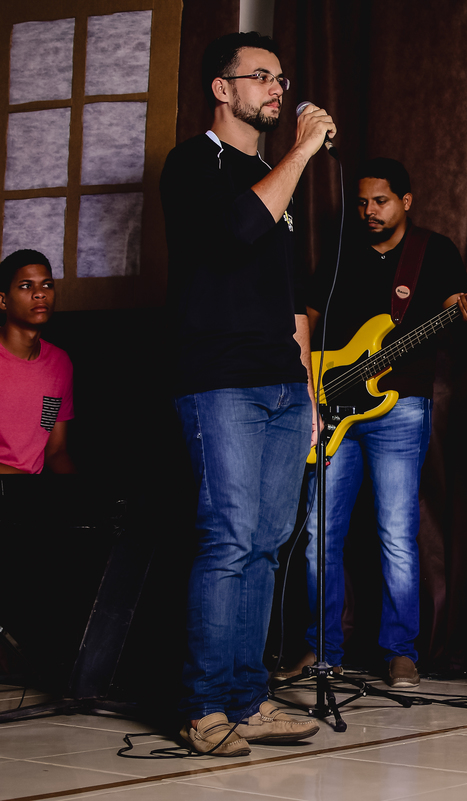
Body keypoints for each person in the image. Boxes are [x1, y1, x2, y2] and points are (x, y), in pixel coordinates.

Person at [161, 31, 336, 756]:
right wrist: (300, 151)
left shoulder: (277, 178)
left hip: (282, 386)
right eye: (259, 76)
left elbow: (294, 298)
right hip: (219, 381)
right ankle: (203, 706)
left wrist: (308, 386)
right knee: (229, 538)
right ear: (221, 89)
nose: (276, 87)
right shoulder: (193, 164)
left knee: (267, 544)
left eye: (280, 76)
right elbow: (235, 232)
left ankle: (246, 696)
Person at [275, 157, 467, 688]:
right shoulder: (342, 254)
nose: (369, 211)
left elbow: (450, 307)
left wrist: (464, 309)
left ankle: (400, 650)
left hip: (399, 405)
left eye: (381, 201)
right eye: (364, 202)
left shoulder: (433, 252)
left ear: (406, 202)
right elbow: (309, 322)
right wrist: (308, 382)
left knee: (396, 533)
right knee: (321, 533)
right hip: (331, 404)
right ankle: (321, 647)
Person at [0, 249, 76, 475]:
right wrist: (30, 487)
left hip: (33, 496)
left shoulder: (60, 363)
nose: (40, 293)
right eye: (26, 286)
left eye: (47, 285)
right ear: (3, 300)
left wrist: (83, 494)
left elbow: (56, 452)